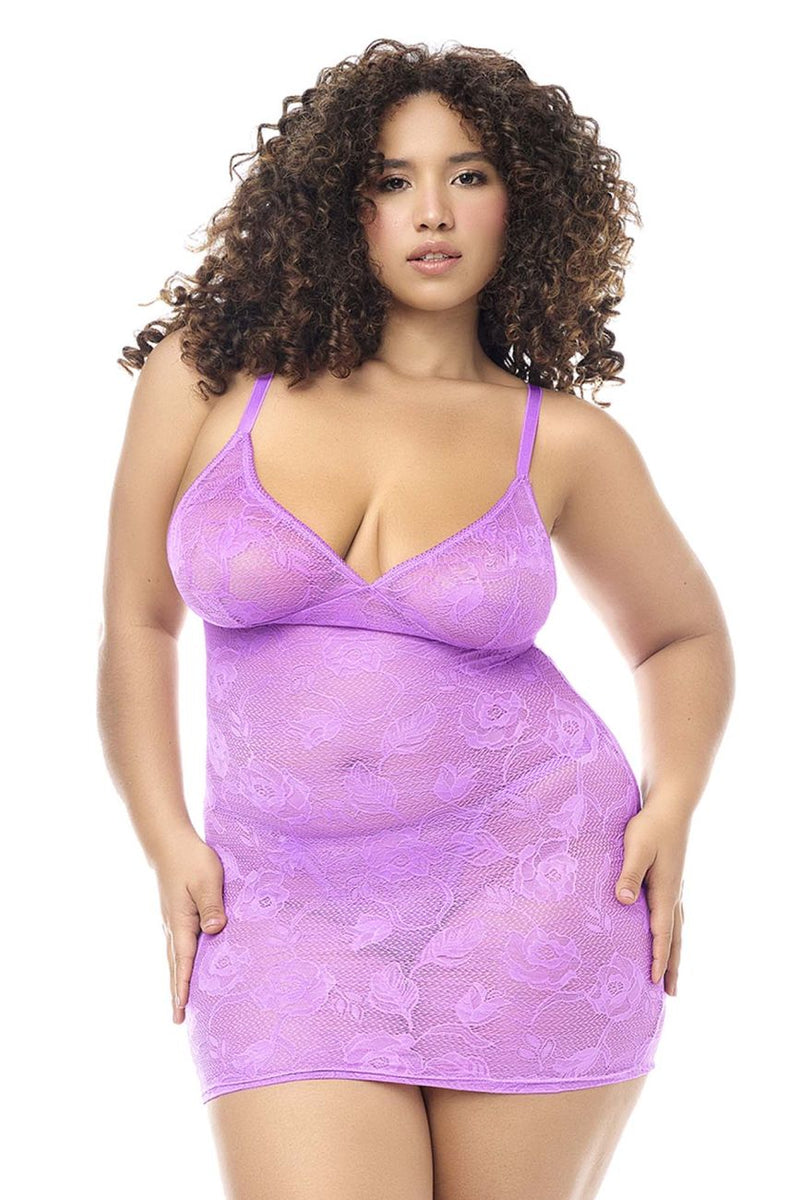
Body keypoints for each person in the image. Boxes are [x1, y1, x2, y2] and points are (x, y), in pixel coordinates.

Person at [98, 37, 735, 1200]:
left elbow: (679, 635)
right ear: (338, 206)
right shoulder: (209, 378)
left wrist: (674, 804)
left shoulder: (566, 440)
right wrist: (164, 836)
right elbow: (138, 622)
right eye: (392, 180)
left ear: (522, 203)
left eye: (468, 175)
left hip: (535, 896)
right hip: (278, 910)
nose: (431, 211)